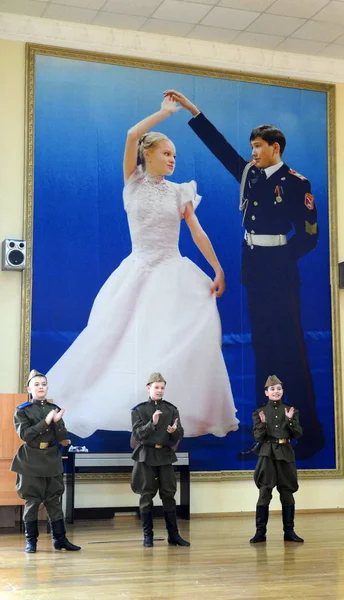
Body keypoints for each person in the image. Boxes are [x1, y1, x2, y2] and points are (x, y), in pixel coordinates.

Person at [46, 95, 239, 439]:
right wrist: (164, 114)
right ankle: (112, 402)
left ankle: (184, 411)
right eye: (166, 153)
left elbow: (196, 232)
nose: (172, 160)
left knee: (174, 337)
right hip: (137, 269)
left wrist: (218, 268)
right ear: (148, 155)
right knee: (112, 335)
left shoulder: (180, 192)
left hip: (172, 271)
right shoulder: (132, 182)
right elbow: (132, 135)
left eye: (175, 156)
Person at [164, 89, 324, 460]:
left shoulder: (297, 184)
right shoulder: (250, 174)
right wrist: (193, 110)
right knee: (262, 353)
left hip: (280, 274)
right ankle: (264, 435)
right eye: (252, 147)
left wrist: (284, 259)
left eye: (258, 146)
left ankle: (309, 434)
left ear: (275, 148)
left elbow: (311, 236)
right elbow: (220, 148)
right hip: (254, 270)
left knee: (293, 354)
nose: (253, 152)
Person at [11, 369, 81, 553]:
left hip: (51, 458)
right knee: (32, 501)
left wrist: (57, 422)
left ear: (47, 387)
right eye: (36, 384)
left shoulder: (54, 409)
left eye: (43, 384)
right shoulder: (22, 411)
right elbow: (26, 435)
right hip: (31, 460)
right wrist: (46, 421)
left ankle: (60, 540)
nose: (40, 387)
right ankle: (31, 541)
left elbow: (61, 437)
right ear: (29, 388)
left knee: (54, 500)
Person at [131, 372, 189, 547]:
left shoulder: (171, 409)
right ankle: (148, 536)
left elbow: (180, 434)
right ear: (149, 388)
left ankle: (174, 535)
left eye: (162, 388)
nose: (160, 391)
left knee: (169, 495)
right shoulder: (139, 410)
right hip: (146, 456)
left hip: (165, 455)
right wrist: (153, 423)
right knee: (146, 495)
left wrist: (174, 431)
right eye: (156, 387)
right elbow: (138, 434)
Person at [249, 375, 303, 544]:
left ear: (282, 391)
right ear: (266, 392)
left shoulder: (291, 410)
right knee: (265, 492)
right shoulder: (259, 412)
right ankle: (260, 532)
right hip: (268, 454)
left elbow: (298, 434)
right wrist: (263, 424)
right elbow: (258, 436)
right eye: (272, 389)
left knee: (287, 493)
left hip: (285, 453)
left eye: (279, 389)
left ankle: (289, 531)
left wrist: (290, 421)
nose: (276, 392)